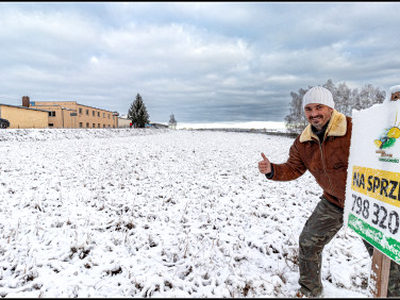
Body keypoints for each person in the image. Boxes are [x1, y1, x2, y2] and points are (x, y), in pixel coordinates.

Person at [258, 86, 400, 298]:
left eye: (319, 107)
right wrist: (272, 170)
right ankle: (310, 291)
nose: (314, 114)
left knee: (386, 256)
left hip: (366, 202)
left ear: (331, 107)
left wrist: (394, 108)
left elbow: (387, 134)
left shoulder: (354, 128)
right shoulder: (303, 142)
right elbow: (294, 168)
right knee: (308, 241)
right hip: (333, 201)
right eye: (308, 109)